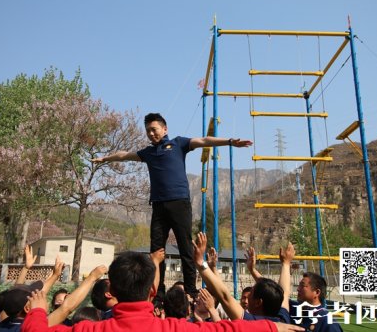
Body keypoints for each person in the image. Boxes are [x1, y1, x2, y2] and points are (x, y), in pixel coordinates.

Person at [92, 112, 252, 298]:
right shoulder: (148, 153)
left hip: (179, 204)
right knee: (156, 250)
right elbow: (124, 155)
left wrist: (230, 141)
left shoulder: (178, 143)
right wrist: (105, 159)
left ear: (164, 128)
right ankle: (158, 293)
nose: (151, 134)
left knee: (185, 248)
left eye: (154, 129)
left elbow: (204, 140)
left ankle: (190, 290)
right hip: (158, 206)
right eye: (148, 131)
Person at [22, 250, 305, 332]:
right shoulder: (174, 328)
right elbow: (230, 330)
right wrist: (273, 328)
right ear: (153, 289)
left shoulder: (89, 329)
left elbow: (35, 330)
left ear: (113, 290)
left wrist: (36, 309)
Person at [192, 232, 291, 323]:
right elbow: (284, 293)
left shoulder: (252, 324)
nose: (247, 300)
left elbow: (225, 297)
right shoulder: (283, 319)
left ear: (258, 302)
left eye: (251, 294)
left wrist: (201, 263)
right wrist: (286, 264)